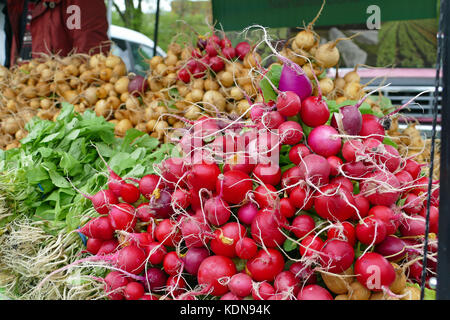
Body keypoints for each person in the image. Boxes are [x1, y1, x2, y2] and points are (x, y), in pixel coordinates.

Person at [5, 0, 110, 67]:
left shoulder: (83, 3)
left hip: (60, 97)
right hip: (23, 96)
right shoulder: (17, 4)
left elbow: (92, 63)